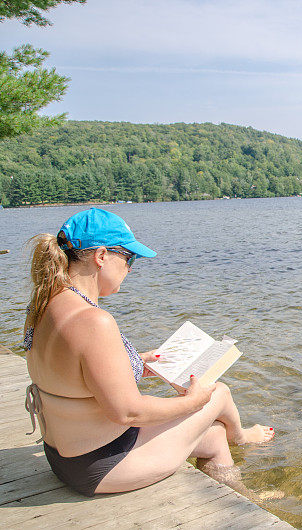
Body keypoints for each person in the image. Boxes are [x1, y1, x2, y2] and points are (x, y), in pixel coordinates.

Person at [23, 207, 275, 498]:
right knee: (217, 394)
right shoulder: (94, 322)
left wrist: (135, 361)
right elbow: (128, 411)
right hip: (101, 465)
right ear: (101, 256)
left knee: (215, 437)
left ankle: (244, 496)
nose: (130, 268)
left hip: (66, 457)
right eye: (129, 258)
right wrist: (192, 402)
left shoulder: (44, 303)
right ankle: (242, 438)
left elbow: (69, 370)